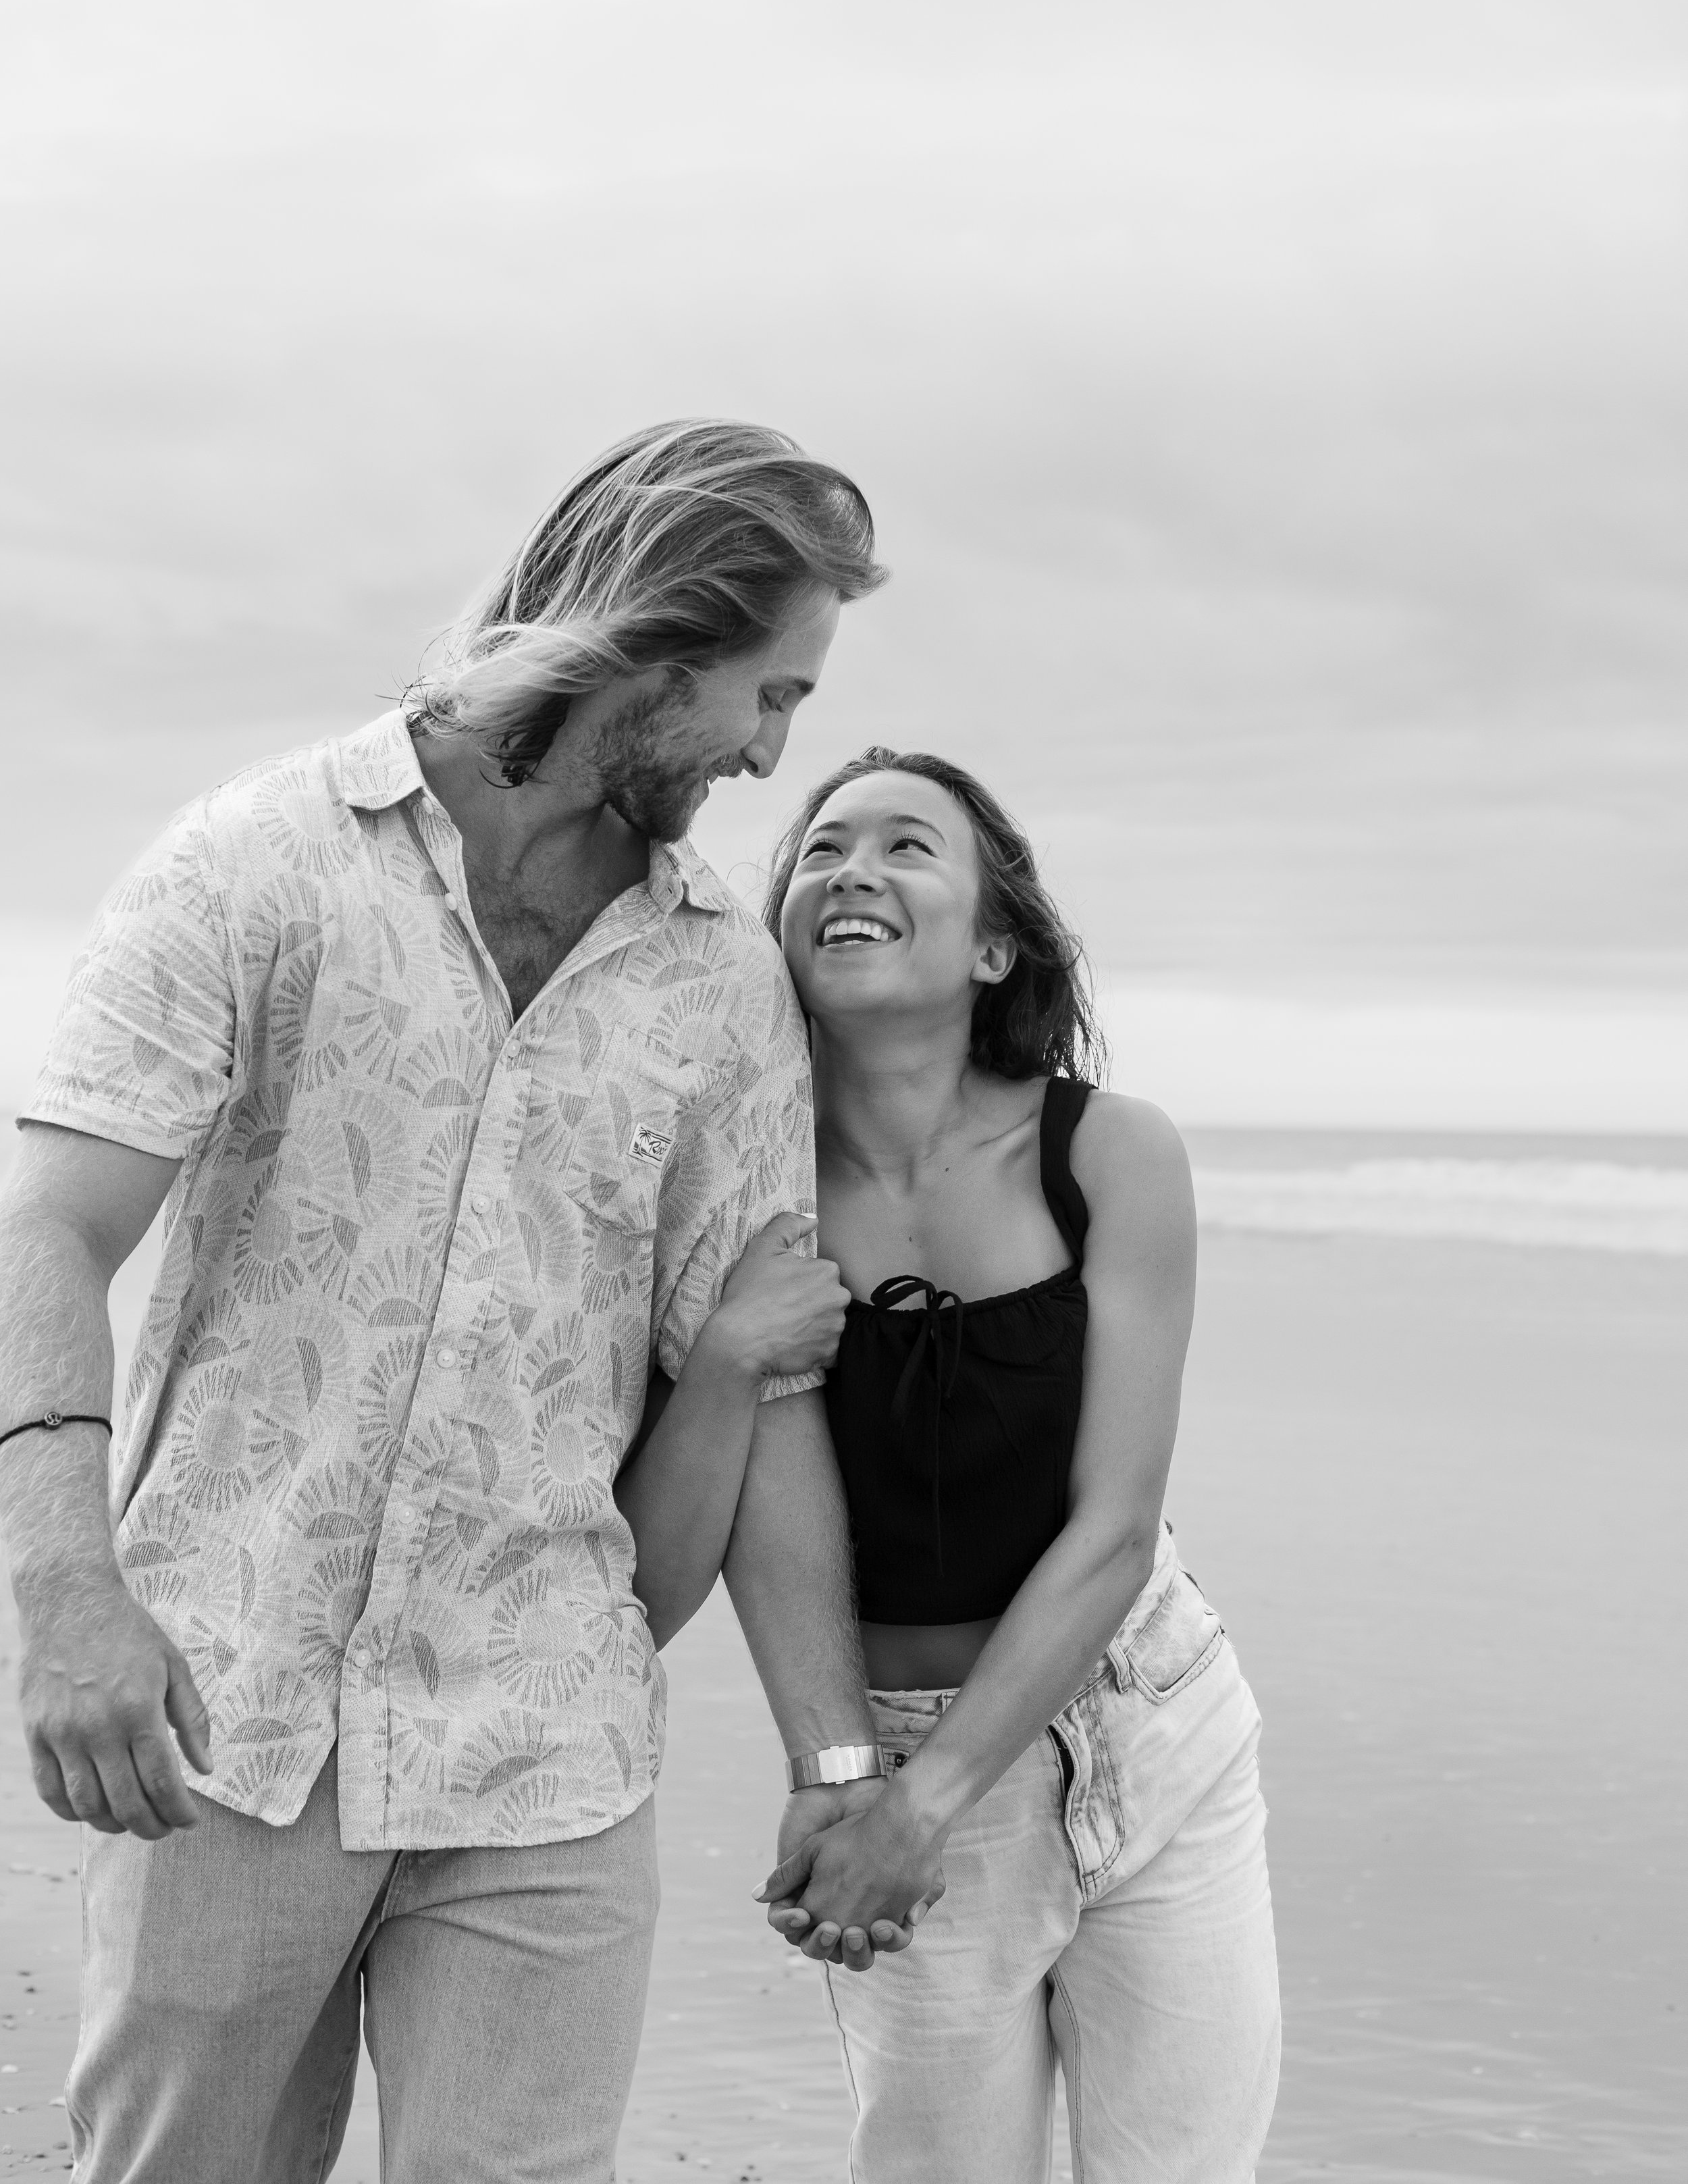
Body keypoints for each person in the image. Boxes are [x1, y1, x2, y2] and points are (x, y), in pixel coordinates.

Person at [0, 421, 918, 2184]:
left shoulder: (717, 978)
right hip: (223, 1720)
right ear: (656, 635)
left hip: (548, 1748)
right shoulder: (257, 859)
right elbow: (48, 1227)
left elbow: (764, 1368)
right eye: (765, 692)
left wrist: (830, 1749)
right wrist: (66, 1585)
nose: (766, 753)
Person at [634, 745, 1282, 2181]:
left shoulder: (1110, 1156)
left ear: (992, 943)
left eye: (906, 846)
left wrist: (914, 1816)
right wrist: (849, 1773)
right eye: (820, 849)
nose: (852, 867)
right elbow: (765, 1501)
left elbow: (1114, 1531)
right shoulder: (743, 1190)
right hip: (891, 1746)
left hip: (1148, 1721)